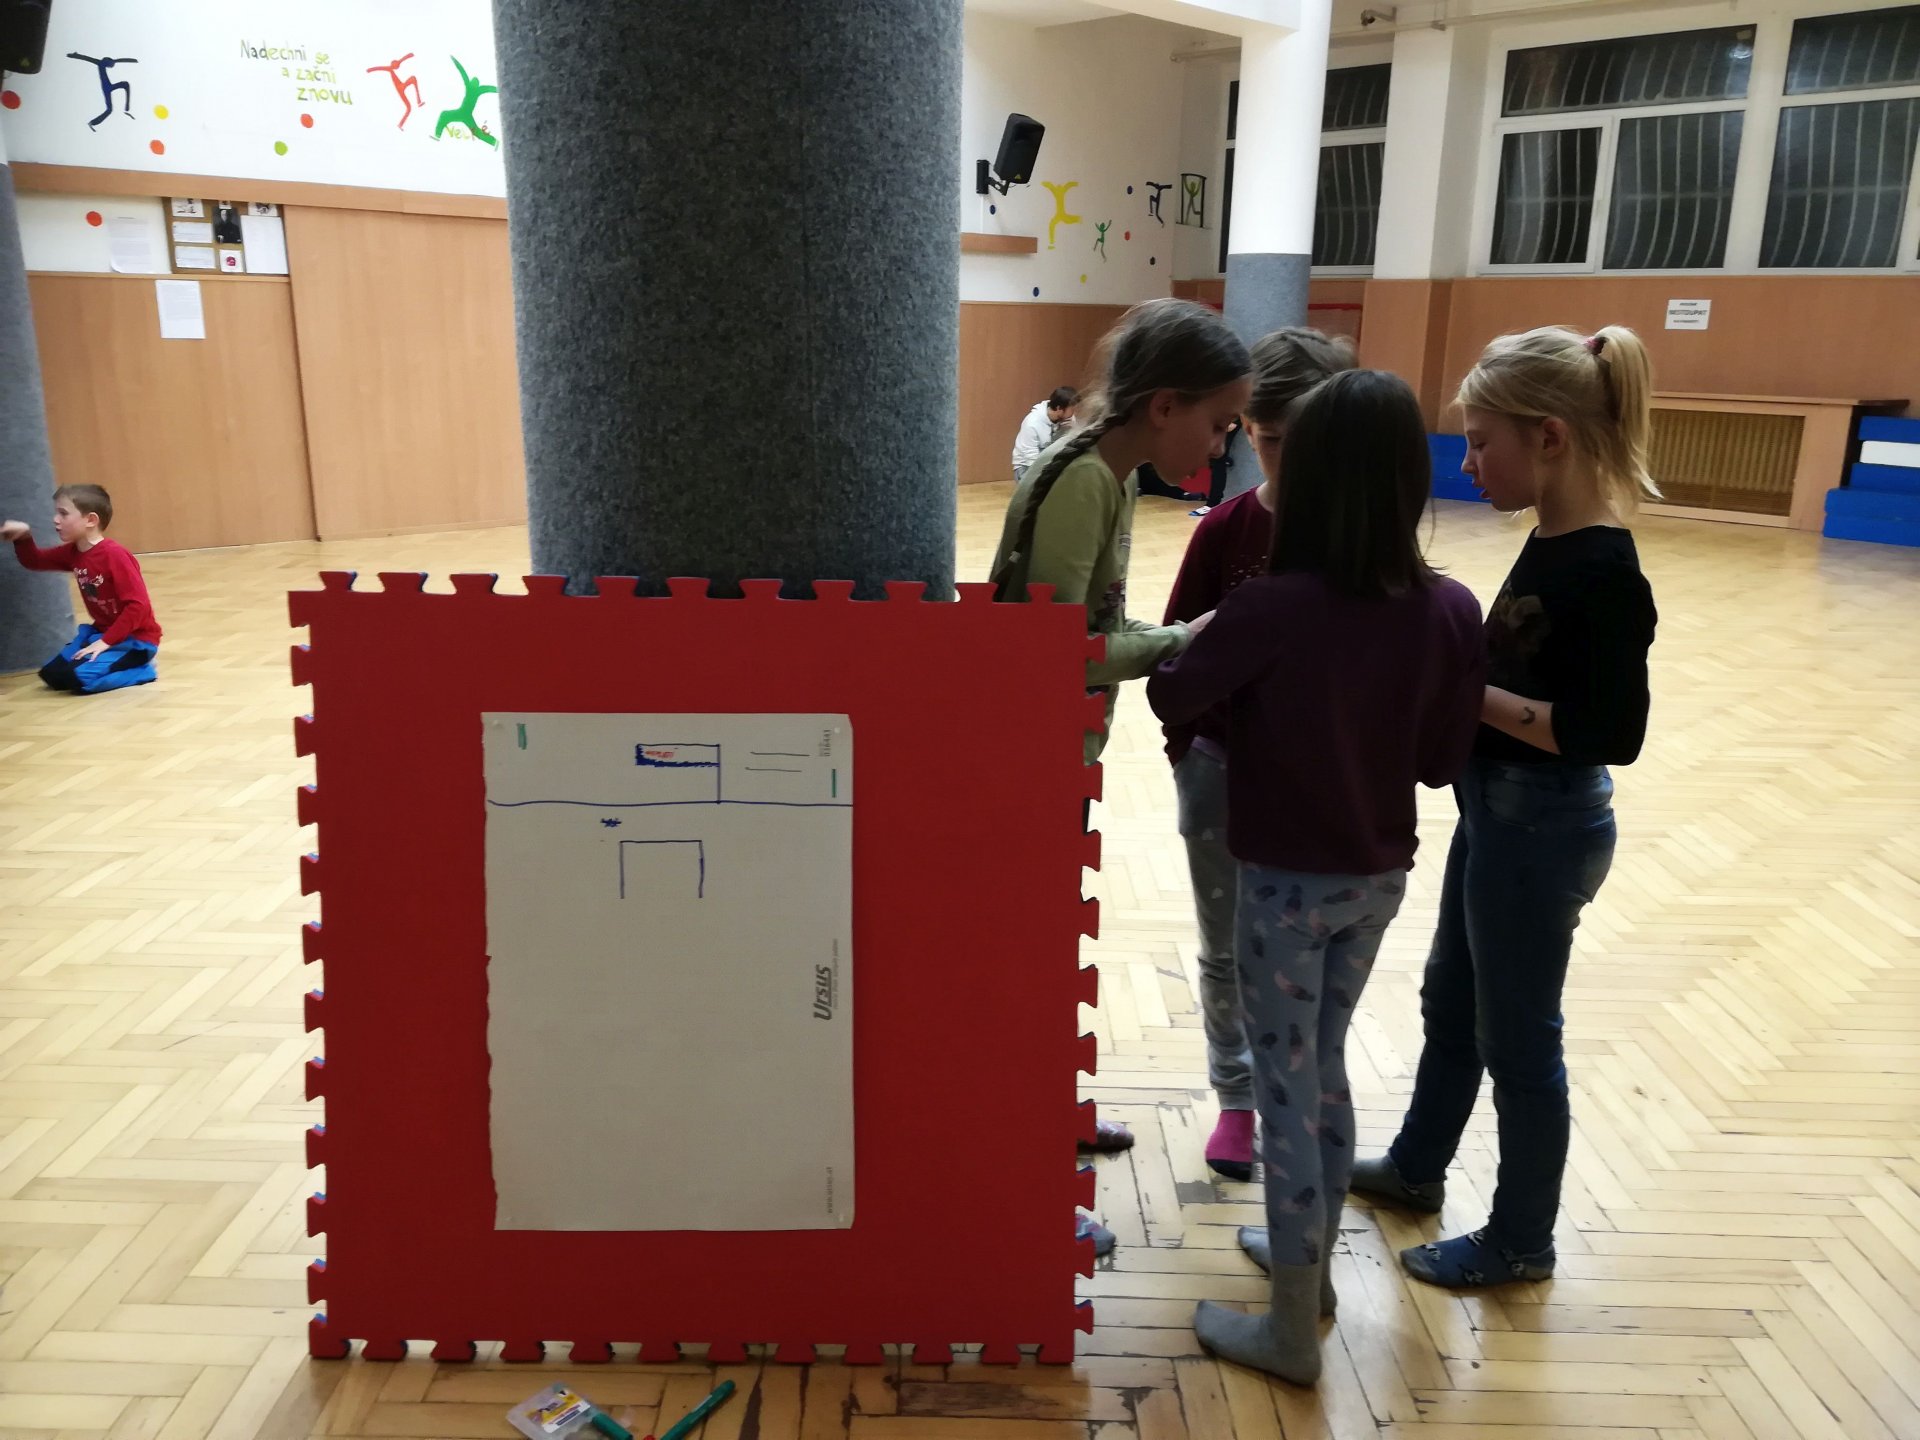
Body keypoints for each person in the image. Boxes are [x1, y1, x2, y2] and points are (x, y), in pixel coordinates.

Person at [1147, 370, 1485, 1383]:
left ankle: (1292, 1330)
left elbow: (1172, 696)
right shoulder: (1450, 606)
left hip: (1284, 887)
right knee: (1321, 1070)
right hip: (1377, 878)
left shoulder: (1272, 606)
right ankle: (1312, 1275)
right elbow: (1441, 760)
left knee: (1288, 1091)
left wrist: (1211, 644)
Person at [1352, 326, 1659, 1291]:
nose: (1469, 463)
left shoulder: (1605, 572)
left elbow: (1610, 732)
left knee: (1520, 1043)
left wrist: (1462, 689)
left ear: (1551, 438)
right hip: (1497, 814)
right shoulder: (1548, 540)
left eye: (1482, 443)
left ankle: (1522, 1239)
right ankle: (1417, 1166)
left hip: (1544, 829)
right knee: (1451, 1001)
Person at [990, 296, 1252, 1255]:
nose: (1221, 447)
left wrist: (1170, 637)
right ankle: (1024, 1182)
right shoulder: (1084, 481)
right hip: (1026, 757)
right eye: (1218, 424)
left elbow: (1088, 624)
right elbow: (1050, 648)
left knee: (1043, 964)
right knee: (1022, 979)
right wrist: (1183, 642)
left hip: (1056, 750)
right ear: (1164, 404)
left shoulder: (1108, 472)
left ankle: (1047, 1117)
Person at [1161, 328, 1356, 1186]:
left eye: (1306, 440)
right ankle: (1236, 1097)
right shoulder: (1227, 530)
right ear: (1247, 429)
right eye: (1270, 439)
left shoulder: (1361, 543)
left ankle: (1300, 1093)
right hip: (1223, 776)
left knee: (1308, 956)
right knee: (1227, 948)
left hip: (1322, 789)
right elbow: (1173, 654)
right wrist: (1190, 757)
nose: (1287, 459)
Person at [3, 484, 161, 695]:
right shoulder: (73, 552)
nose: (55, 519)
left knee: (77, 680)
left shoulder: (115, 555)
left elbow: (138, 606)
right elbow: (35, 561)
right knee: (53, 676)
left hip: (136, 640)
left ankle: (143, 670)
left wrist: (105, 642)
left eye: (63, 514)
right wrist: (23, 537)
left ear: (91, 520)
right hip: (102, 633)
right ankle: (106, 657)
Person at [1011, 386, 1077, 483]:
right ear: (1059, 408)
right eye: (1072, 410)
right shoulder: (1032, 423)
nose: (1073, 413)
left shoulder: (1068, 419)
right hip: (1027, 466)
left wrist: (1070, 429)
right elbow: (1031, 460)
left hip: (1050, 462)